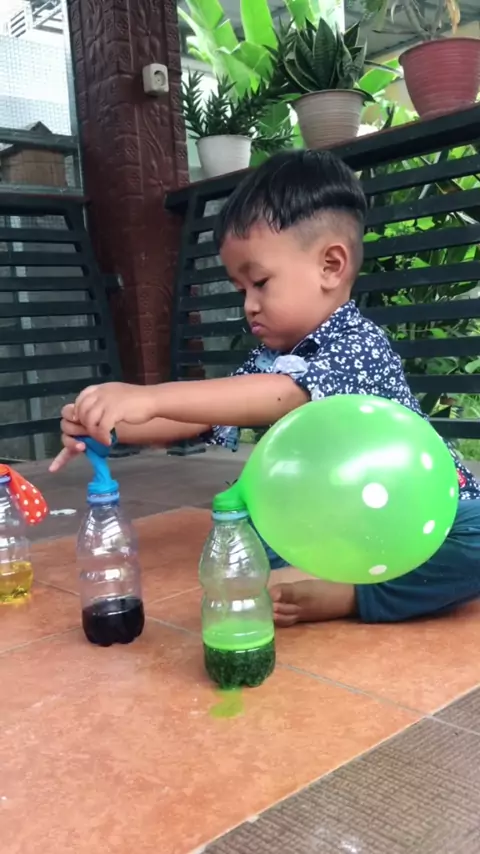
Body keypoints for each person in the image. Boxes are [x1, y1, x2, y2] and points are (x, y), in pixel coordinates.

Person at [50, 150, 480, 627]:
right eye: (241, 291)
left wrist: (147, 396)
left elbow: (281, 394)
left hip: (422, 511)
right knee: (236, 538)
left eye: (259, 282)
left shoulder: (357, 343)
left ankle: (357, 595)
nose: (249, 306)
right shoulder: (271, 358)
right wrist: (110, 424)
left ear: (331, 265)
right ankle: (342, 564)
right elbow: (198, 418)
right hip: (330, 510)